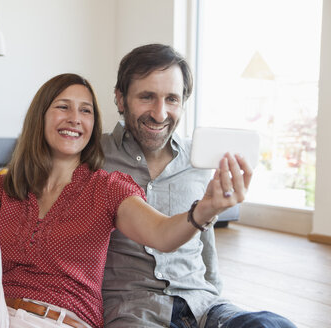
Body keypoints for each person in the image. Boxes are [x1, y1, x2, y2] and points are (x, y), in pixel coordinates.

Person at [0, 73, 251, 328]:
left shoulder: (108, 187)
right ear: (41, 116)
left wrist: (205, 209)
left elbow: (162, 234)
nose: (75, 118)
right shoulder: (1, 186)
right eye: (63, 107)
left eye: (85, 111)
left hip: (60, 320)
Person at [101, 43, 296, 327]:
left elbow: (206, 242)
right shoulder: (93, 158)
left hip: (201, 304)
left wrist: (218, 300)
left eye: (172, 99)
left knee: (273, 324)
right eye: (147, 97)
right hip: (132, 310)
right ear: (120, 99)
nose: (160, 113)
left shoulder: (199, 162)